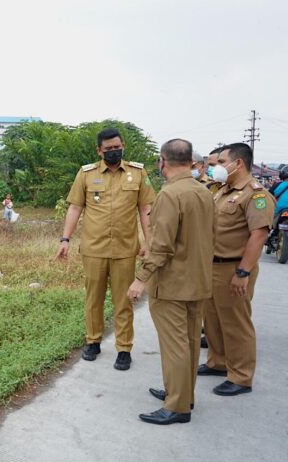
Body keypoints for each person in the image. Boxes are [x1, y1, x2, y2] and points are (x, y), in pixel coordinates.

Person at [127, 139, 215, 425]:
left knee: (175, 346)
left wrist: (141, 279)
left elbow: (162, 245)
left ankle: (177, 407)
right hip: (198, 281)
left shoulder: (170, 194)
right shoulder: (203, 192)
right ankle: (182, 395)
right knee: (189, 343)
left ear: (162, 161)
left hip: (173, 285)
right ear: (190, 161)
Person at [57, 128, 156, 370]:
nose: (114, 152)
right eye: (109, 149)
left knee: (124, 300)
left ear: (123, 146)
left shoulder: (138, 173)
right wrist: (65, 239)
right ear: (99, 151)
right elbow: (74, 208)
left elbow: (146, 209)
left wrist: (149, 242)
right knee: (94, 299)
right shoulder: (86, 174)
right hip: (94, 248)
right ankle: (93, 341)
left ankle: (124, 348)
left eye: (117, 147)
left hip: (125, 249)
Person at [200, 143, 275, 396]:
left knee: (235, 323)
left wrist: (243, 272)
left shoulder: (256, 195)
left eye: (221, 162)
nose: (216, 168)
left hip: (233, 267)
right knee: (212, 319)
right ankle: (218, 362)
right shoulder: (222, 191)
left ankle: (241, 376)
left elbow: (258, 236)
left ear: (238, 163)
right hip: (212, 265)